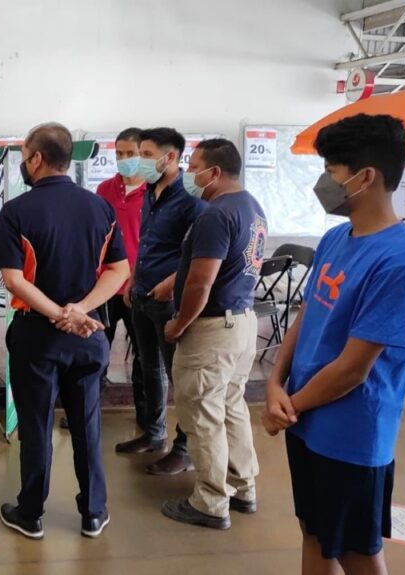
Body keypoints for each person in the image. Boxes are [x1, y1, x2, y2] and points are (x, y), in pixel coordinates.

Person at [263, 114, 405, 575]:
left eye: (331, 171)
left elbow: (354, 369)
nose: (324, 182)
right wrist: (275, 382)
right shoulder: (337, 237)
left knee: (357, 552)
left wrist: (288, 406)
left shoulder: (399, 260)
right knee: (315, 533)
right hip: (304, 418)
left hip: (351, 433)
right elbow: (308, 314)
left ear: (366, 176)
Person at [0, 122, 129, 540]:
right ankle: (94, 512)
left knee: (35, 426)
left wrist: (58, 314)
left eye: (24, 156)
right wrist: (79, 311)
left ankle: (31, 513)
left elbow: (14, 280)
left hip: (37, 337)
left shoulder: (17, 211)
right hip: (88, 336)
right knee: (87, 425)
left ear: (36, 158)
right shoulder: (100, 207)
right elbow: (119, 270)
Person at [159, 139, 264, 530]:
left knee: (203, 414)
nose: (189, 173)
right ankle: (243, 487)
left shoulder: (215, 215)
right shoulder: (252, 207)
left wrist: (179, 323)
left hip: (213, 329)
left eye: (194, 166)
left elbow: (201, 283)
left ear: (214, 172)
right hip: (242, 323)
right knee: (231, 407)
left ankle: (210, 502)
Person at [118, 127, 205, 477]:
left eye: (147, 155)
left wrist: (171, 284)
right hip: (142, 293)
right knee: (149, 367)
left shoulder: (191, 197)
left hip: (169, 299)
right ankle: (154, 434)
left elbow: (199, 252)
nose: (140, 161)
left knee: (177, 374)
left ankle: (185, 449)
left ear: (171, 157)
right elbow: (147, 243)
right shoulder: (151, 192)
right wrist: (133, 280)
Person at [94, 128, 147, 413]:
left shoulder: (154, 192)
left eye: (131, 153)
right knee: (96, 350)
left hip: (138, 288)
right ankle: (89, 410)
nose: (124, 159)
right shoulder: (104, 190)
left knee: (144, 356)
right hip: (105, 286)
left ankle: (146, 417)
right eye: (119, 153)